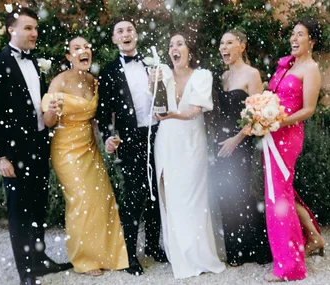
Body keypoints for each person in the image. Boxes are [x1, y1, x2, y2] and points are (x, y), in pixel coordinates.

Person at [0, 7, 72, 285]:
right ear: (12, 29)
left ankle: (40, 259)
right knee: (19, 211)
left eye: (35, 28)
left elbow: (38, 104)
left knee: (37, 206)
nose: (34, 33)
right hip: (14, 151)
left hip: (39, 146)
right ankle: (26, 271)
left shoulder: (36, 63)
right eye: (28, 28)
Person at [41, 36, 129, 276]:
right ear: (69, 57)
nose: (83, 51)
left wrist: (108, 140)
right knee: (80, 201)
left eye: (86, 47)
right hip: (66, 151)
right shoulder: (59, 82)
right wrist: (51, 111)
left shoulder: (92, 80)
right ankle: (84, 259)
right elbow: (48, 122)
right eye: (76, 48)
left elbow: (96, 118)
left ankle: (107, 254)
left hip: (90, 148)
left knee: (101, 199)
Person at [150, 32, 226, 279]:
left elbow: (194, 111)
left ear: (189, 50)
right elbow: (153, 106)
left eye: (180, 44)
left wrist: (172, 114)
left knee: (193, 198)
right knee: (170, 197)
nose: (175, 48)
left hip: (192, 142)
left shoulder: (202, 76)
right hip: (167, 141)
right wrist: (154, 82)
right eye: (171, 45)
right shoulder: (162, 72)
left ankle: (199, 254)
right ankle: (178, 254)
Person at [96, 16, 167, 276]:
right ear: (114, 38)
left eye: (130, 30)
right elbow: (103, 113)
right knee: (134, 196)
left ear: (136, 35)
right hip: (129, 139)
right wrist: (108, 137)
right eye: (120, 31)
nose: (125, 34)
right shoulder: (109, 71)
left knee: (156, 192)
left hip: (158, 134)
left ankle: (152, 245)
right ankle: (129, 254)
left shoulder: (153, 64)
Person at [263, 19, 325, 282]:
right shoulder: (287, 63)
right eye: (293, 33)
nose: (294, 38)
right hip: (272, 133)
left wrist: (278, 121)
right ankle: (313, 237)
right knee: (282, 191)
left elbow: (308, 110)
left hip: (287, 136)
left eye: (301, 34)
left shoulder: (310, 68)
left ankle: (289, 265)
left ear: (311, 40)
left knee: (279, 197)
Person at [213, 29, 272, 266]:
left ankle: (254, 248)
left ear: (242, 46)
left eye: (229, 43)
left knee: (242, 193)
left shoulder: (252, 74)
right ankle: (234, 251)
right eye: (221, 43)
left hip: (241, 142)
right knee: (225, 195)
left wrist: (236, 139)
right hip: (220, 141)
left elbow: (256, 115)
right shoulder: (223, 76)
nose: (223, 48)